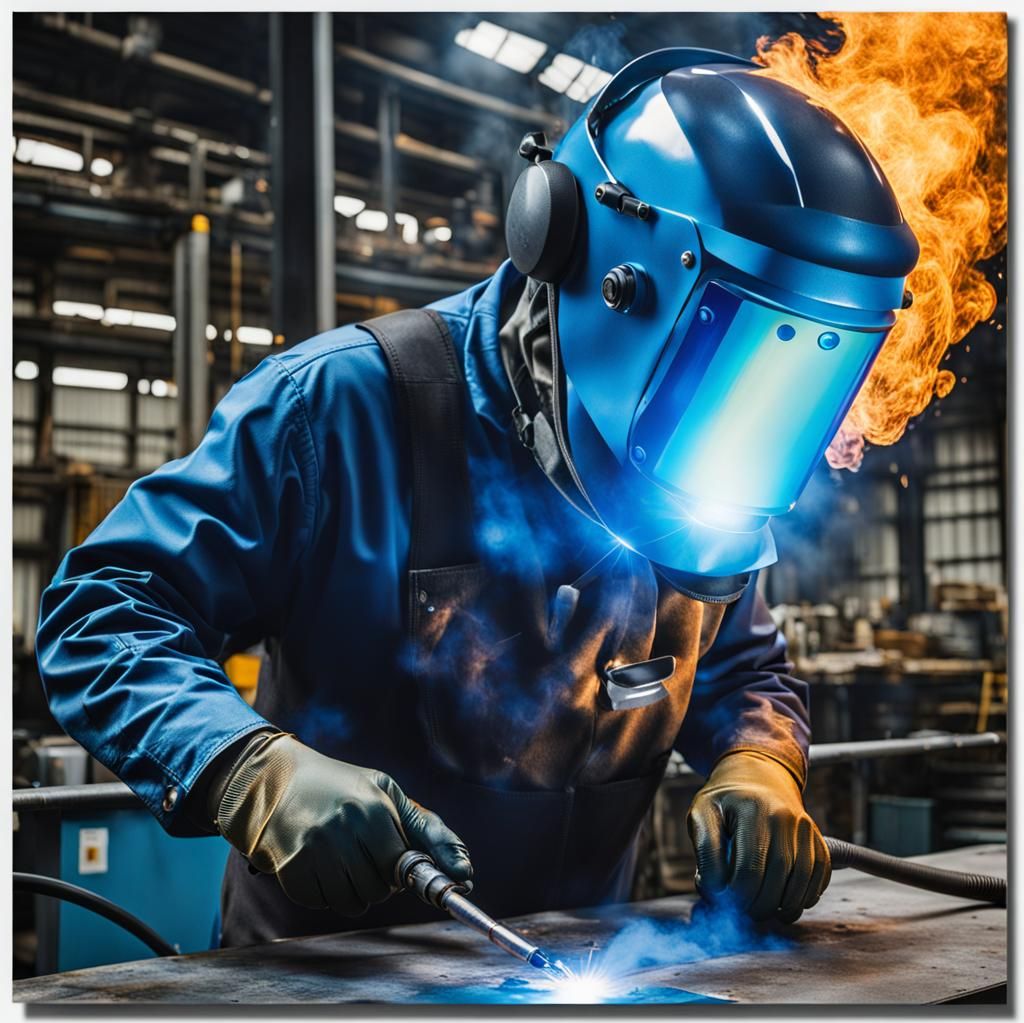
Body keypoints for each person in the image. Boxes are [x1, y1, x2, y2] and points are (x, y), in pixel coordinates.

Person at [36, 49, 917, 947]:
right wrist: (245, 769)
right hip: (324, 986)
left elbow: (740, 664)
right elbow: (103, 610)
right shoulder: (340, 409)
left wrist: (758, 762)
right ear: (570, 253)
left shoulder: (712, 476)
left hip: (585, 968)